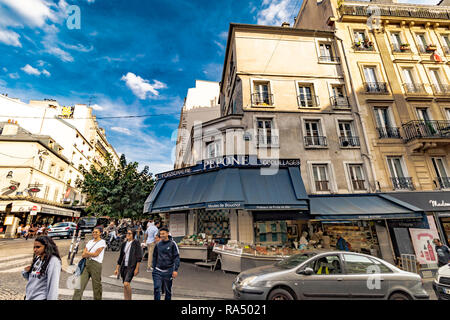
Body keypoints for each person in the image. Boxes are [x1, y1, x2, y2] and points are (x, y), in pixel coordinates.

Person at [72, 227, 107, 300]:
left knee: (96, 286)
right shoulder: (90, 242)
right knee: (79, 285)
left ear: (100, 233)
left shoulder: (102, 242)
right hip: (86, 264)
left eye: (96, 232)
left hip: (96, 265)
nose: (94, 233)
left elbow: (96, 254)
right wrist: (88, 253)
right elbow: (83, 254)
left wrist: (87, 253)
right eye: (93, 232)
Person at [22, 236, 61, 300]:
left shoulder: (53, 261)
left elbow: (53, 285)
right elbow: (34, 280)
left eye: (38, 247)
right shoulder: (38, 259)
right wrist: (26, 272)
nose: (35, 249)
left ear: (46, 246)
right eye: (34, 247)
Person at [114, 228, 143, 300]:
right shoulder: (124, 244)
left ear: (133, 235)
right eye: (127, 233)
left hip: (131, 266)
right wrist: (117, 268)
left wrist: (137, 268)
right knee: (125, 285)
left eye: (129, 233)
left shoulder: (136, 243)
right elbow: (121, 257)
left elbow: (139, 257)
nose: (127, 235)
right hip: (124, 266)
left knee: (126, 283)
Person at [152, 227, 180, 300]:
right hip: (157, 270)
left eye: (163, 233)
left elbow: (176, 257)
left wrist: (175, 270)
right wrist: (154, 267)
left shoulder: (173, 244)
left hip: (168, 271)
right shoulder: (158, 244)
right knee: (157, 288)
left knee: (168, 290)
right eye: (160, 234)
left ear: (167, 233)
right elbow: (154, 256)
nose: (162, 235)